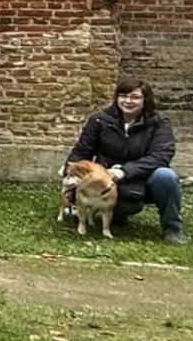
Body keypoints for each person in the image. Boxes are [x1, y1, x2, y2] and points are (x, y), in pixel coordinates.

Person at [67, 78, 185, 244]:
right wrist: (69, 175)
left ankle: (172, 228)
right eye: (123, 96)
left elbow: (161, 155)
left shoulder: (159, 123)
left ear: (145, 100)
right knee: (122, 209)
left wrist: (125, 171)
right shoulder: (99, 120)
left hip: (143, 177)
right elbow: (81, 151)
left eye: (135, 97)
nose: (128, 101)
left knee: (167, 176)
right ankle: (113, 214)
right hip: (106, 180)